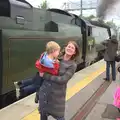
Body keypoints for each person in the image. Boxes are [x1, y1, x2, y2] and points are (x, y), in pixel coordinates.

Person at [38, 40, 80, 120]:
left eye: (72, 48)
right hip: (45, 92)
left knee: (60, 117)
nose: (70, 48)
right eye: (69, 46)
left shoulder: (72, 65)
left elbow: (63, 80)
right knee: (43, 115)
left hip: (57, 96)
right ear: (65, 47)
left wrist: (45, 76)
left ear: (74, 52)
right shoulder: (57, 57)